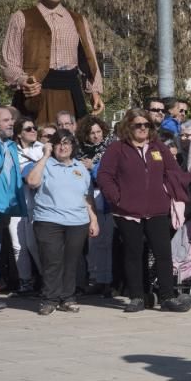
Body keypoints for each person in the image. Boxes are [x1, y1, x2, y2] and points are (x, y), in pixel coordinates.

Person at [96, 109, 191, 313]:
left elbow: (174, 171)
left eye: (146, 125)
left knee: (163, 253)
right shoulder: (117, 149)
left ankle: (167, 297)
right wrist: (118, 198)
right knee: (133, 254)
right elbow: (105, 176)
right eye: (137, 125)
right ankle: (137, 297)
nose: (142, 128)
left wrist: (166, 191)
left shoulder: (159, 148)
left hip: (157, 210)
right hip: (127, 212)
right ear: (128, 127)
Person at [1, 0, 104, 123]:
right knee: (33, 143)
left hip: (70, 93)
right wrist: (23, 81)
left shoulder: (78, 20)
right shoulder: (21, 17)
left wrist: (94, 91)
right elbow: (9, 62)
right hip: (34, 96)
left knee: (70, 143)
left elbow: (89, 61)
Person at [24, 130, 99, 315]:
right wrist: (45, 156)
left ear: (73, 147)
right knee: (52, 261)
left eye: (67, 143)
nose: (63, 147)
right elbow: (32, 182)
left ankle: (67, 297)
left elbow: (87, 197)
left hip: (77, 222)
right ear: (52, 145)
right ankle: (49, 299)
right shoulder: (44, 165)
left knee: (71, 262)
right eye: (58, 143)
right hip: (49, 221)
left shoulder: (80, 168)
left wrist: (94, 220)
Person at [0, 106, 26, 312]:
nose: (11, 123)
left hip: (4, 206)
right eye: (5, 120)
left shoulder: (9, 145)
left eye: (11, 119)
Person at [76, 114, 114, 293]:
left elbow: (110, 175)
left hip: (106, 199)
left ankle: (107, 280)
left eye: (98, 132)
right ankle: (96, 277)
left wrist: (92, 167)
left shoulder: (111, 149)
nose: (96, 136)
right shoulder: (80, 151)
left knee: (107, 241)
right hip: (87, 198)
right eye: (92, 133)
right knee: (93, 242)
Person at [9, 117, 43, 295]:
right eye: (28, 129)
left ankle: (46, 280)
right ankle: (25, 282)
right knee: (17, 245)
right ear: (19, 133)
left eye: (34, 128)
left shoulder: (42, 148)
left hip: (36, 204)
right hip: (15, 202)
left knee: (33, 244)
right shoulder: (11, 150)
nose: (33, 131)